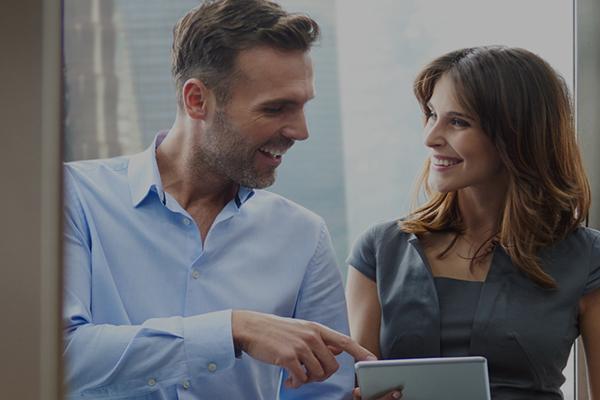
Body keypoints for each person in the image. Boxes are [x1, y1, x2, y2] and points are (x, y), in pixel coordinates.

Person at [62, 1, 376, 399]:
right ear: (197, 100)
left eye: (303, 105)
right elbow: (55, 356)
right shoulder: (72, 197)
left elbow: (321, 393)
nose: (300, 131)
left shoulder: (304, 236)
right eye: (276, 108)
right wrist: (232, 330)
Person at [346, 45, 600, 400]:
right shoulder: (379, 248)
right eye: (432, 114)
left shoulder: (588, 258)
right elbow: (355, 384)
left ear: (517, 136)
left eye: (458, 122)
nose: (430, 137)